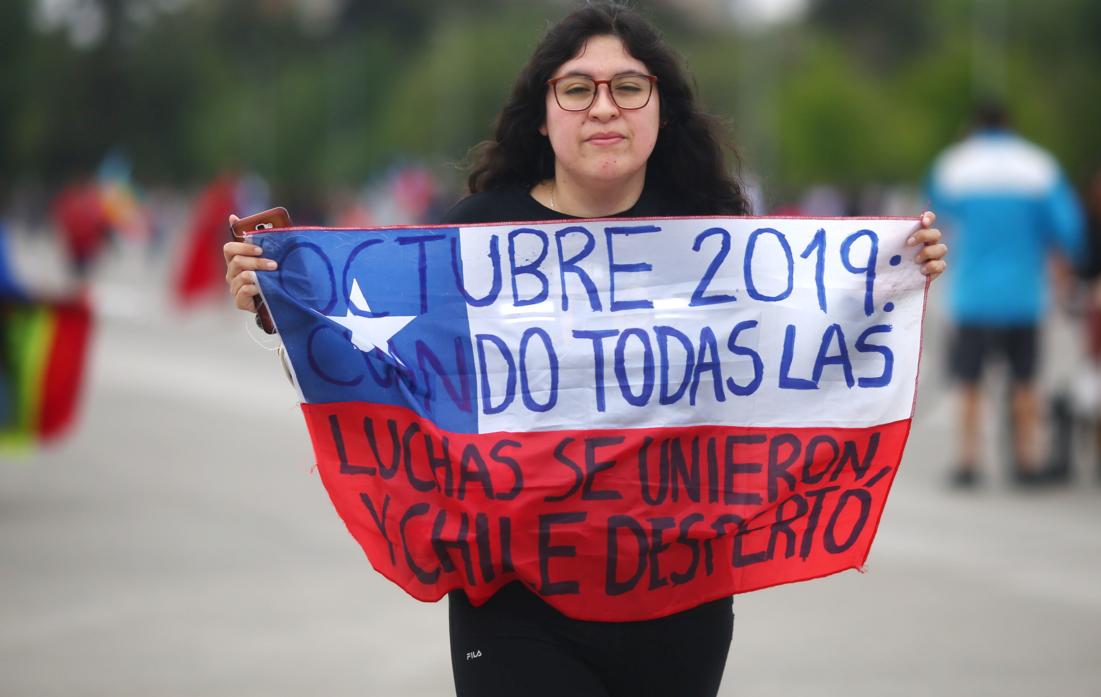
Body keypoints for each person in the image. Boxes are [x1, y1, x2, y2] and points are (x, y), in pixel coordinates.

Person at [223, 5, 947, 696]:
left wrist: (892, 271)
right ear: (544, 114)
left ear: (660, 110)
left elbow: (803, 356)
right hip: (516, 600)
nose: (604, 107)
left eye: (629, 87)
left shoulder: (721, 240)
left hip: (680, 598)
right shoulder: (474, 234)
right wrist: (283, 309)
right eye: (577, 88)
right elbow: (385, 376)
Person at [926, 101, 1084, 489]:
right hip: (1024, 293)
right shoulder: (1038, 167)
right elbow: (1069, 229)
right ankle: (1026, 461)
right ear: (1010, 125)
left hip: (971, 292)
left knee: (968, 381)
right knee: (1025, 381)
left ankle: (967, 461)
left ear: (973, 126)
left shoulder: (954, 165)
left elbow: (931, 218)